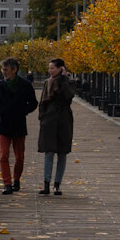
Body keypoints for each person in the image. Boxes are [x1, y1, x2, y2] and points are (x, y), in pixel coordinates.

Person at [0, 57, 38, 195]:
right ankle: (7, 183)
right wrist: (3, 111)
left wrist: (22, 111)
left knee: (20, 156)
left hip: (18, 124)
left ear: (14, 70)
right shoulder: (0, 86)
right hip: (4, 124)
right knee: (3, 155)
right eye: (2, 69)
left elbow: (34, 103)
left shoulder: (25, 85)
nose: (3, 72)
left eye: (6, 70)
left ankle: (16, 179)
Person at [37, 58, 74, 196]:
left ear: (61, 68)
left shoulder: (69, 82)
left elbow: (69, 96)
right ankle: (46, 183)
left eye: (52, 68)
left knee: (62, 152)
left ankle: (57, 185)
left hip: (64, 121)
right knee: (49, 151)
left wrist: (64, 80)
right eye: (49, 68)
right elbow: (42, 102)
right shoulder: (47, 83)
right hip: (49, 121)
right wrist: (42, 117)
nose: (50, 70)